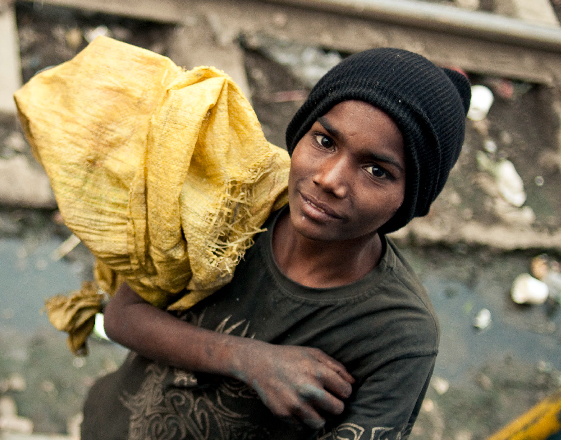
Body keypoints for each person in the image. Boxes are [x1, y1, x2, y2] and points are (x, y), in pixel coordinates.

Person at [80, 47, 471, 439]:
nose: (329, 179)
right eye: (324, 142)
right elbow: (122, 315)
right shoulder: (232, 203)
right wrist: (248, 360)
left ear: (411, 198)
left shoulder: (399, 335)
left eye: (376, 170)